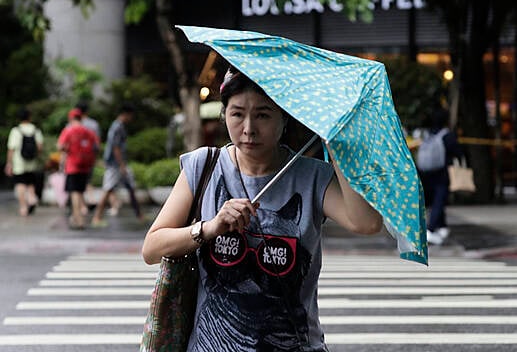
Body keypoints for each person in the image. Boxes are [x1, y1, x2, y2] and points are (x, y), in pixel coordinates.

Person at [141, 67, 383, 351]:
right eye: (237, 114)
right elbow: (152, 248)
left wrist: (338, 146)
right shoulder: (202, 167)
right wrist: (210, 227)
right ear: (224, 115)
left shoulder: (312, 176)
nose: (248, 129)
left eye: (263, 115)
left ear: (285, 118)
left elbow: (366, 223)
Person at [91, 103, 145, 227]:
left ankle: (139, 214)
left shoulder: (118, 126)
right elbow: (116, 148)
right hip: (115, 164)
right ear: (126, 114)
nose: (132, 118)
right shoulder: (117, 127)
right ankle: (97, 217)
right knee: (108, 188)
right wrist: (121, 165)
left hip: (118, 164)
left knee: (130, 187)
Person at [416, 107, 463, 245]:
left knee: (435, 200)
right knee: (439, 200)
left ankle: (442, 227)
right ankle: (430, 230)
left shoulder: (427, 135)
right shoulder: (447, 135)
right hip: (442, 173)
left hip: (425, 172)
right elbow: (457, 152)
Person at [57, 108, 99, 229]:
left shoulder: (68, 130)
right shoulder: (89, 131)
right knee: (80, 191)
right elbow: (96, 147)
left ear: (71, 118)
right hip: (85, 167)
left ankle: (78, 219)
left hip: (72, 166)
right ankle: (81, 213)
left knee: (74, 193)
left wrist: (68, 150)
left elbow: (60, 146)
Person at [4, 107, 44, 216]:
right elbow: (40, 147)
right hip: (32, 162)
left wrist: (9, 163)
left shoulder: (16, 130)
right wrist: (38, 157)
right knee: (30, 182)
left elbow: (11, 148)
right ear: (29, 117)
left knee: (20, 184)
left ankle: (23, 207)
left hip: (19, 163)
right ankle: (31, 198)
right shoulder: (35, 130)